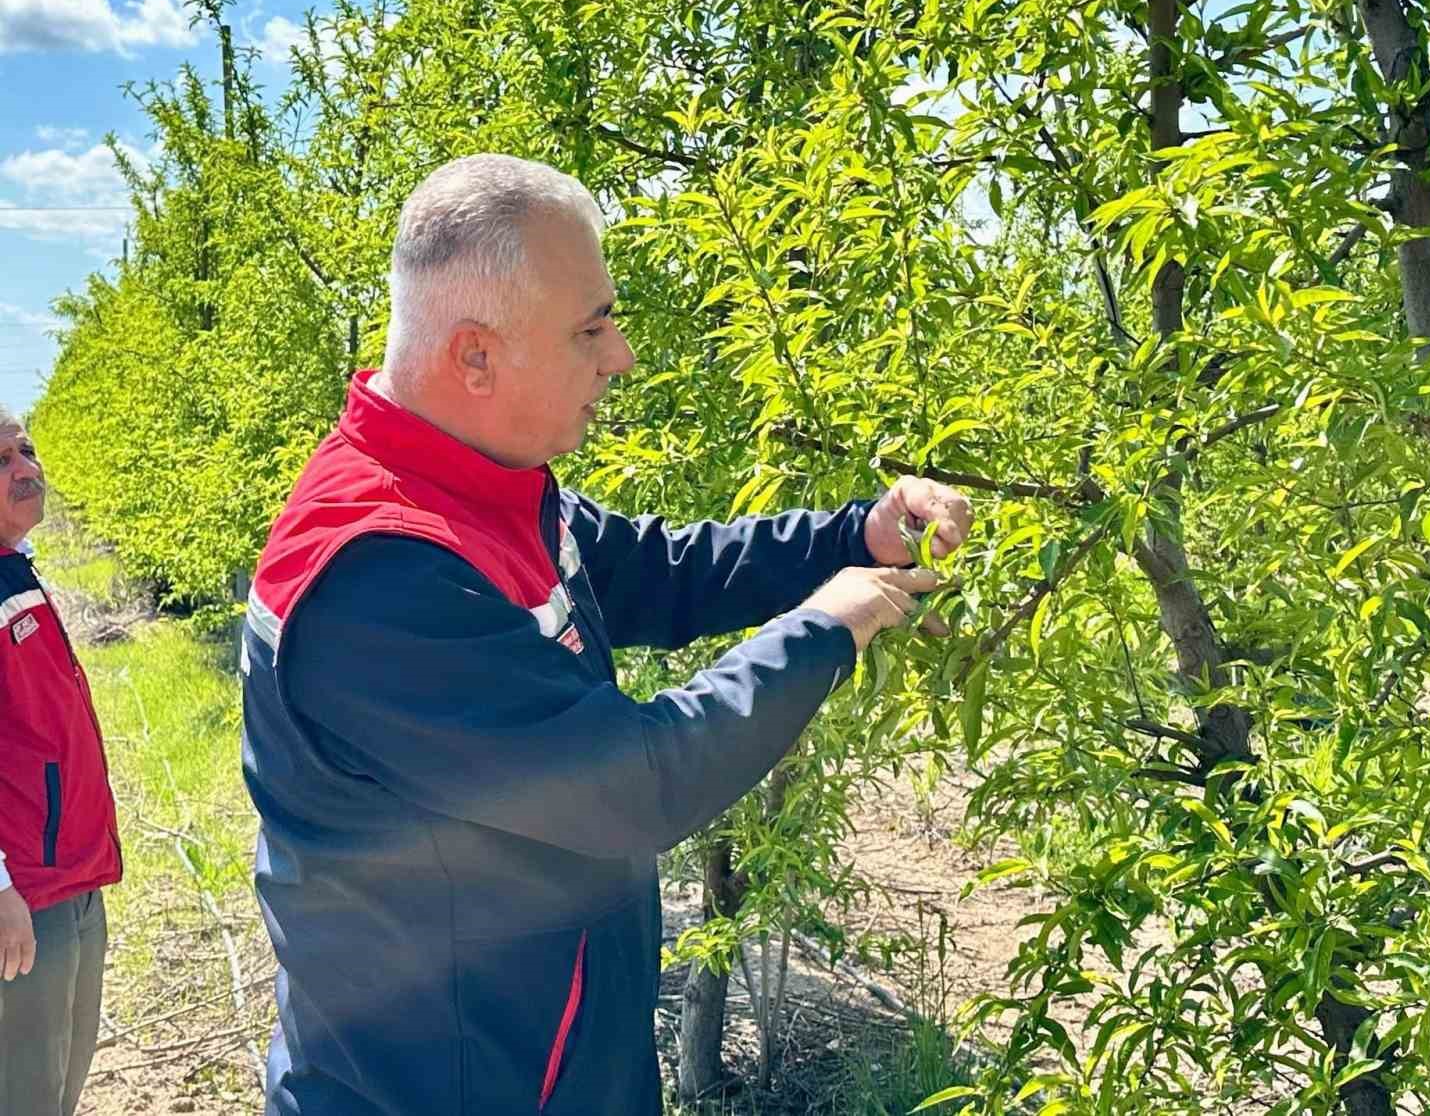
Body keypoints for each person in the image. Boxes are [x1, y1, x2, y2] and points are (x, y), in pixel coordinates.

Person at [241, 154, 973, 1116]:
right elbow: (631, 786)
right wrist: (824, 630)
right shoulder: (376, 576)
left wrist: (852, 535)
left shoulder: (487, 486)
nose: (620, 355)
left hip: (548, 1066)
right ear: (475, 356)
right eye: (591, 327)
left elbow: (664, 568)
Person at [0, 406, 122, 1116]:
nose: (26, 469)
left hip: (75, 879)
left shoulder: (17, 571)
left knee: (58, 1091)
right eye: (2, 461)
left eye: (26, 450)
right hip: (24, 898)